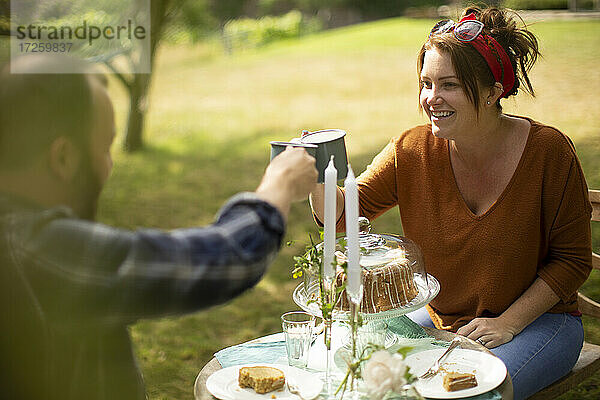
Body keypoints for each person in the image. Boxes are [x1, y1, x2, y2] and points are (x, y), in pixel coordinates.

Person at [310, 6, 592, 400]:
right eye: (425, 83)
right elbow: (343, 216)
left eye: (450, 85)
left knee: (469, 392)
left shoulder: (549, 152)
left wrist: (508, 323)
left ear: (494, 92)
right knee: (352, 361)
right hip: (443, 316)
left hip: (542, 323)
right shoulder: (411, 149)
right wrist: (315, 174)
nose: (431, 98)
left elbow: (572, 261)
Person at [0, 54, 318, 400]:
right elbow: (219, 260)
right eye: (105, 149)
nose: (109, 168)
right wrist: (278, 186)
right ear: (63, 158)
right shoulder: (31, 247)